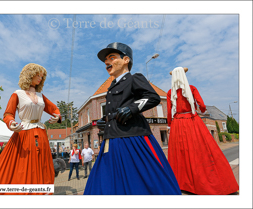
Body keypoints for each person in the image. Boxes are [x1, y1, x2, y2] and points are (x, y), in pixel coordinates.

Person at [84, 42, 181, 195]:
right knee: (107, 181)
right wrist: (105, 120)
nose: (106, 62)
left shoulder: (134, 78)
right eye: (105, 60)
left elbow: (152, 97)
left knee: (143, 179)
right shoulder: (111, 87)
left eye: (111, 57)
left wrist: (131, 108)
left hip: (132, 138)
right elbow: (116, 108)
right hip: (111, 140)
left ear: (126, 60)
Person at [0, 63, 62, 195]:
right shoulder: (18, 94)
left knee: (43, 164)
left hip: (41, 133)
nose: (40, 78)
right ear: (29, 75)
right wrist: (12, 123)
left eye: (42, 76)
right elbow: (8, 114)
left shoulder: (41, 96)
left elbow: (54, 109)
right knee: (21, 166)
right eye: (37, 75)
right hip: (23, 132)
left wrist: (57, 116)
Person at [167, 67, 239, 195]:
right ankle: (205, 181)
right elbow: (202, 105)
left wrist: (170, 123)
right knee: (201, 149)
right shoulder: (191, 88)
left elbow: (169, 111)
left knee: (180, 153)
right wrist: (202, 110)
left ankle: (182, 183)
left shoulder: (170, 92)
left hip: (177, 122)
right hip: (191, 120)